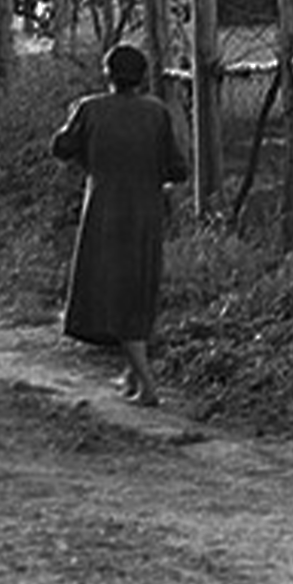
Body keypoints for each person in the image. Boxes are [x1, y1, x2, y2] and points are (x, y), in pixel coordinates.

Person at [50, 43, 189, 407]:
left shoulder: (90, 108)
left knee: (113, 295)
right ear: (143, 77)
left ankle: (147, 385)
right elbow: (179, 169)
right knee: (137, 292)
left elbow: (60, 148)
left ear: (107, 75)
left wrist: (73, 124)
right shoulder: (156, 113)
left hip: (104, 213)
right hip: (146, 214)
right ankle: (131, 376)